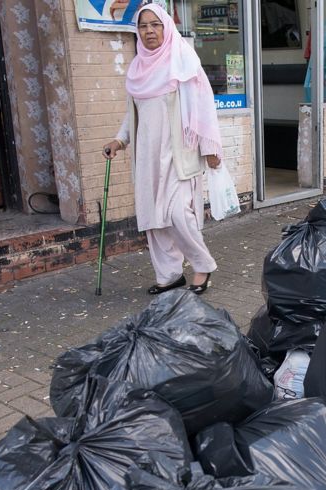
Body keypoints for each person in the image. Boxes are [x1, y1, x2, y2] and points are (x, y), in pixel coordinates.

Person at [104, 3, 222, 295]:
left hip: (178, 153)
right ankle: (169, 275)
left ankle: (202, 265)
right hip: (147, 157)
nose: (149, 31)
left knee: (178, 214)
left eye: (155, 25)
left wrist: (209, 147)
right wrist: (119, 140)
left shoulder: (181, 60)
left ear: (166, 26)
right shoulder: (137, 68)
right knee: (153, 220)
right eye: (143, 26)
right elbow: (133, 114)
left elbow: (203, 105)